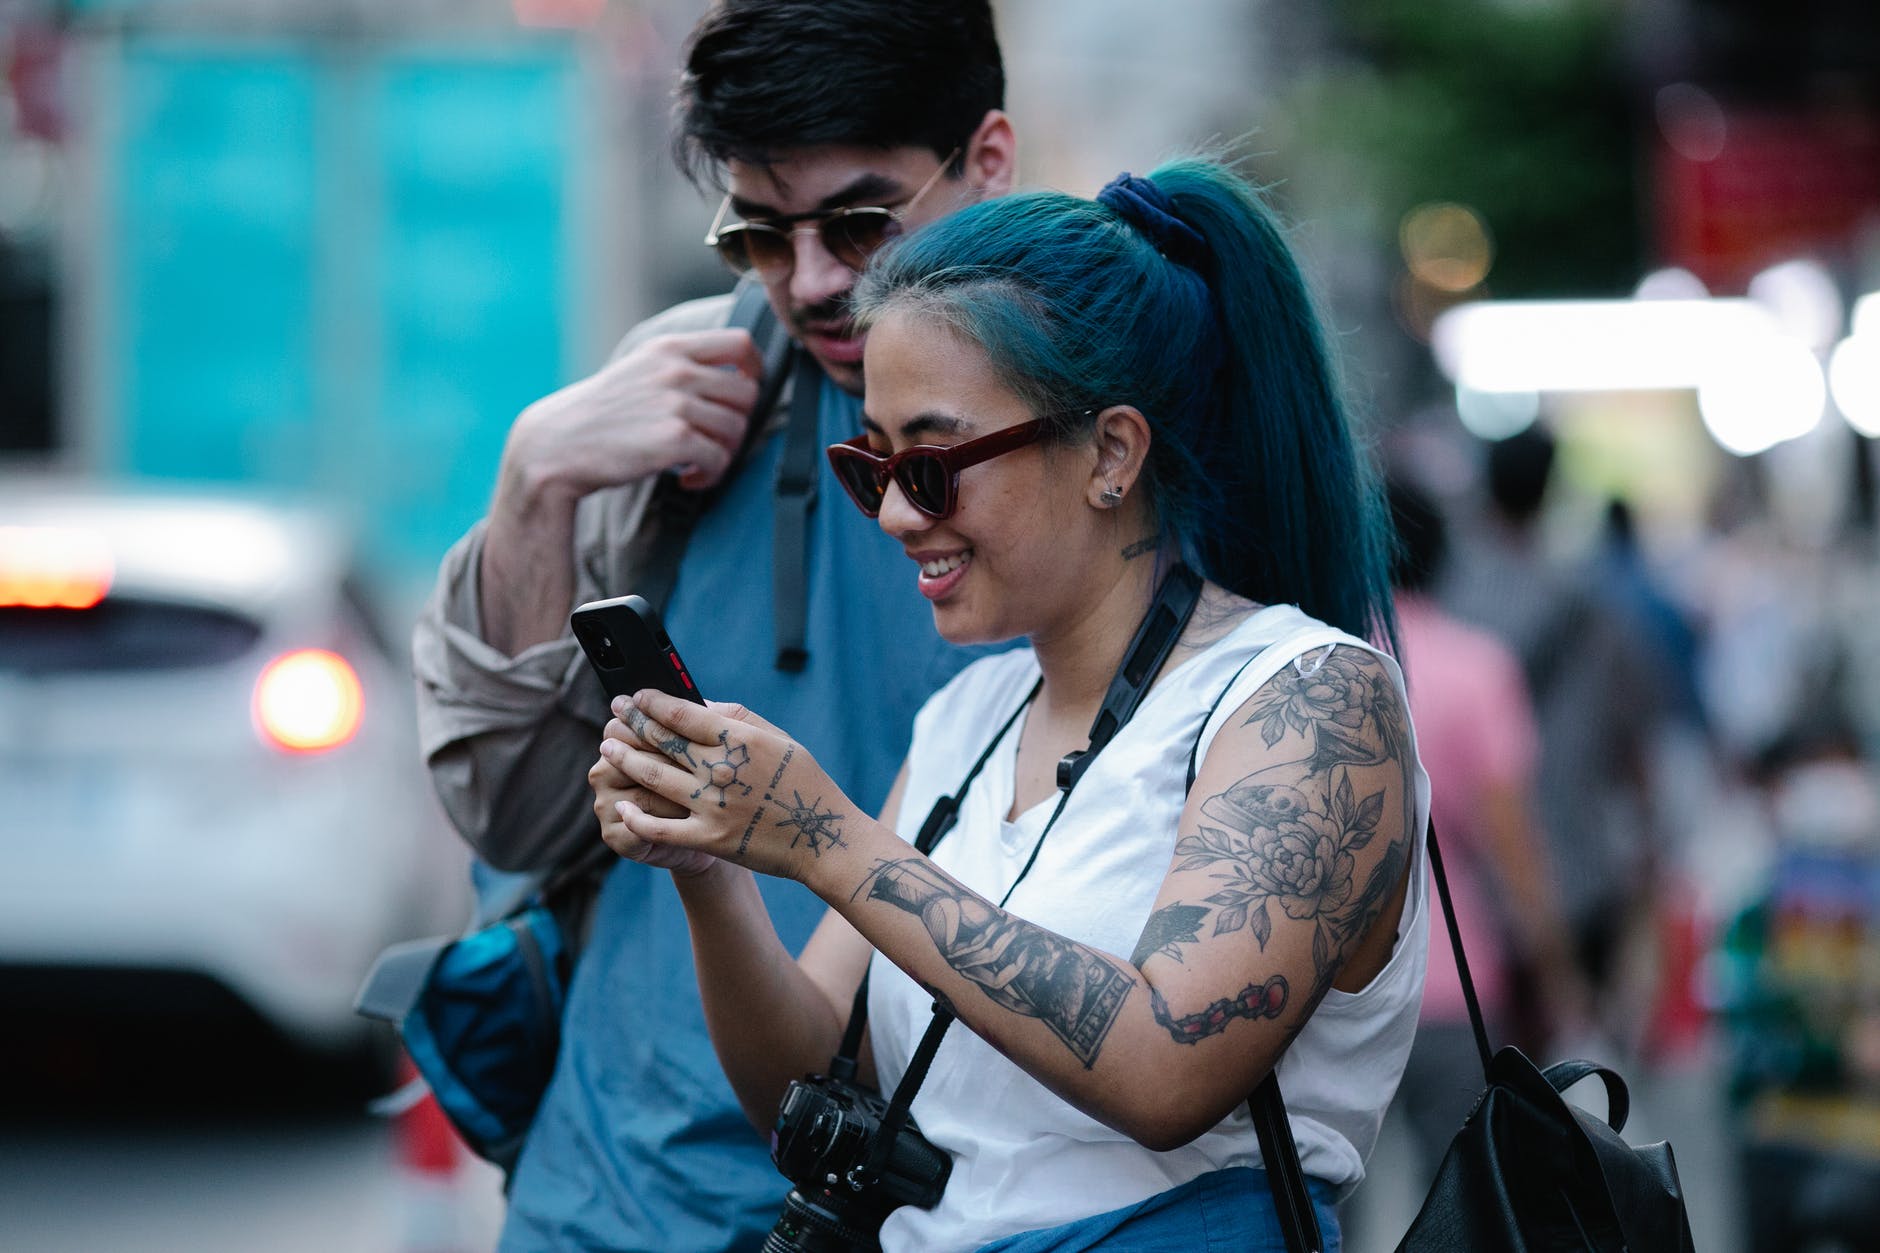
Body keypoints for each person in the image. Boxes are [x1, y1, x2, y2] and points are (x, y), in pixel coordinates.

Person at [591, 158, 1431, 1251]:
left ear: (1110, 453)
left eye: (931, 463)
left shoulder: (1310, 701)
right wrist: (711, 866)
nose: (893, 515)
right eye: (868, 464)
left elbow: (1164, 1059)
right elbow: (797, 1079)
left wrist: (819, 836)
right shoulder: (967, 715)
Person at [409, 4, 1017, 1248]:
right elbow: (516, 819)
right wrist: (534, 484)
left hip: (961, 1197)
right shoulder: (686, 384)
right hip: (616, 1188)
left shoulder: (1114, 410)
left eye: (859, 222)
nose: (809, 282)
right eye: (757, 233)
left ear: (989, 161)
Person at [1383, 475, 1586, 1187]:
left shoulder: (1310, 662)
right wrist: (1558, 975)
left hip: (1328, 997)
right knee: (1462, 1205)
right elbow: (1514, 846)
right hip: (1453, 980)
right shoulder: (1477, 668)